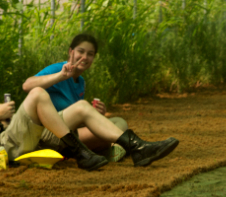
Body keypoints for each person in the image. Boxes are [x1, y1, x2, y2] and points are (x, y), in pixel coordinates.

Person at [0, 52, 176, 171]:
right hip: (3, 149)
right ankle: (80, 153)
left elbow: (0, 120)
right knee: (37, 94)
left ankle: (137, 148)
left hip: (14, 133)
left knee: (82, 107)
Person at [22, 33, 176, 163]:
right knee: (85, 109)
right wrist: (60, 76)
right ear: (71, 52)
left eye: (90, 54)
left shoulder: (80, 82)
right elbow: (27, 86)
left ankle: (106, 151)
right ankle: (136, 148)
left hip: (70, 135)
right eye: (80, 51)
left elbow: (72, 115)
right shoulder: (58, 69)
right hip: (47, 135)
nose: (85, 57)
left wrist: (94, 115)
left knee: (120, 122)